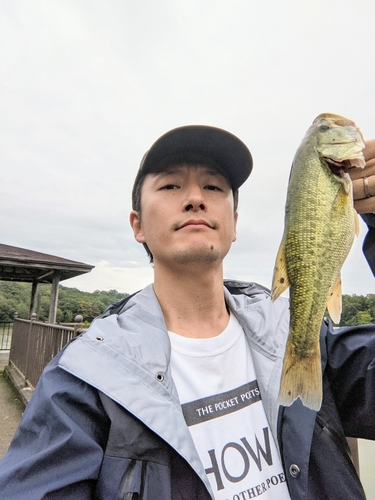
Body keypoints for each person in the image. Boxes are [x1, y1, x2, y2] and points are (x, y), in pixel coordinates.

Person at [0, 125, 374, 500]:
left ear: (235, 226)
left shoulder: (305, 340)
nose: (195, 198)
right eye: (170, 186)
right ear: (138, 225)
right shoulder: (84, 380)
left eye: (214, 187)